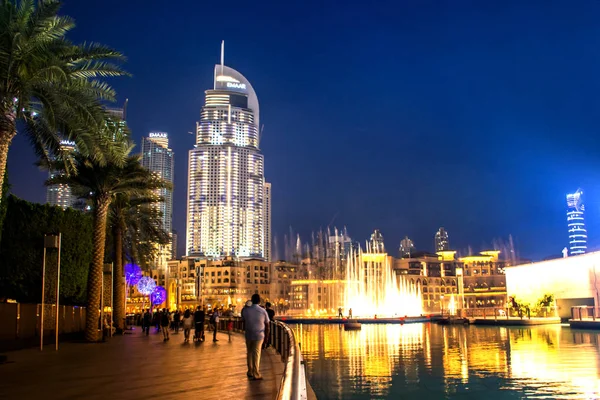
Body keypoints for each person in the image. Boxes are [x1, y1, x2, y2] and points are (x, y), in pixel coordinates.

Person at [242, 294, 270, 380]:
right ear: (259, 301)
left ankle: (250, 371)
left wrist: (246, 306)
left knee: (249, 353)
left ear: (251, 300)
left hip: (248, 334)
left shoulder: (245, 310)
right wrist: (267, 337)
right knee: (256, 353)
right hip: (259, 335)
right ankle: (256, 373)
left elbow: (243, 319)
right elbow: (267, 324)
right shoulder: (263, 310)